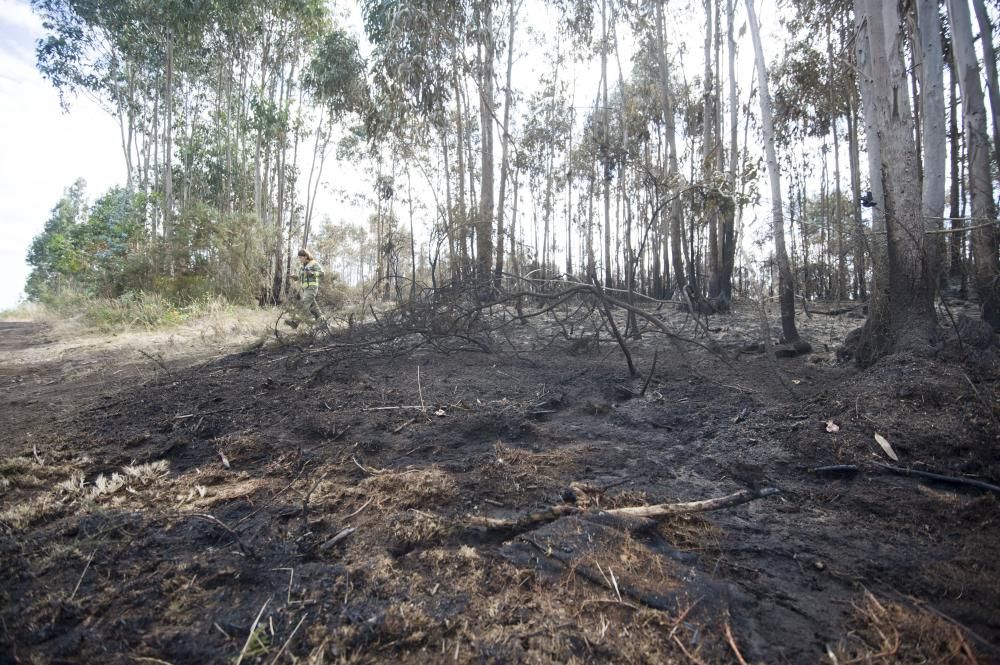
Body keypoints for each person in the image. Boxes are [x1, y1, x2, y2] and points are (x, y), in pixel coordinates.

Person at [286, 248, 325, 328]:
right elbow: (302, 278)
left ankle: (295, 323)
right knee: (315, 309)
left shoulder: (313, 263)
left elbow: (322, 273)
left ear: (306, 256)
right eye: (299, 257)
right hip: (306, 289)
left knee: (304, 304)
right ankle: (324, 325)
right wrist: (295, 277)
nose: (299, 259)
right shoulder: (302, 267)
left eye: (301, 257)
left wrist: (312, 273)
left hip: (312, 288)